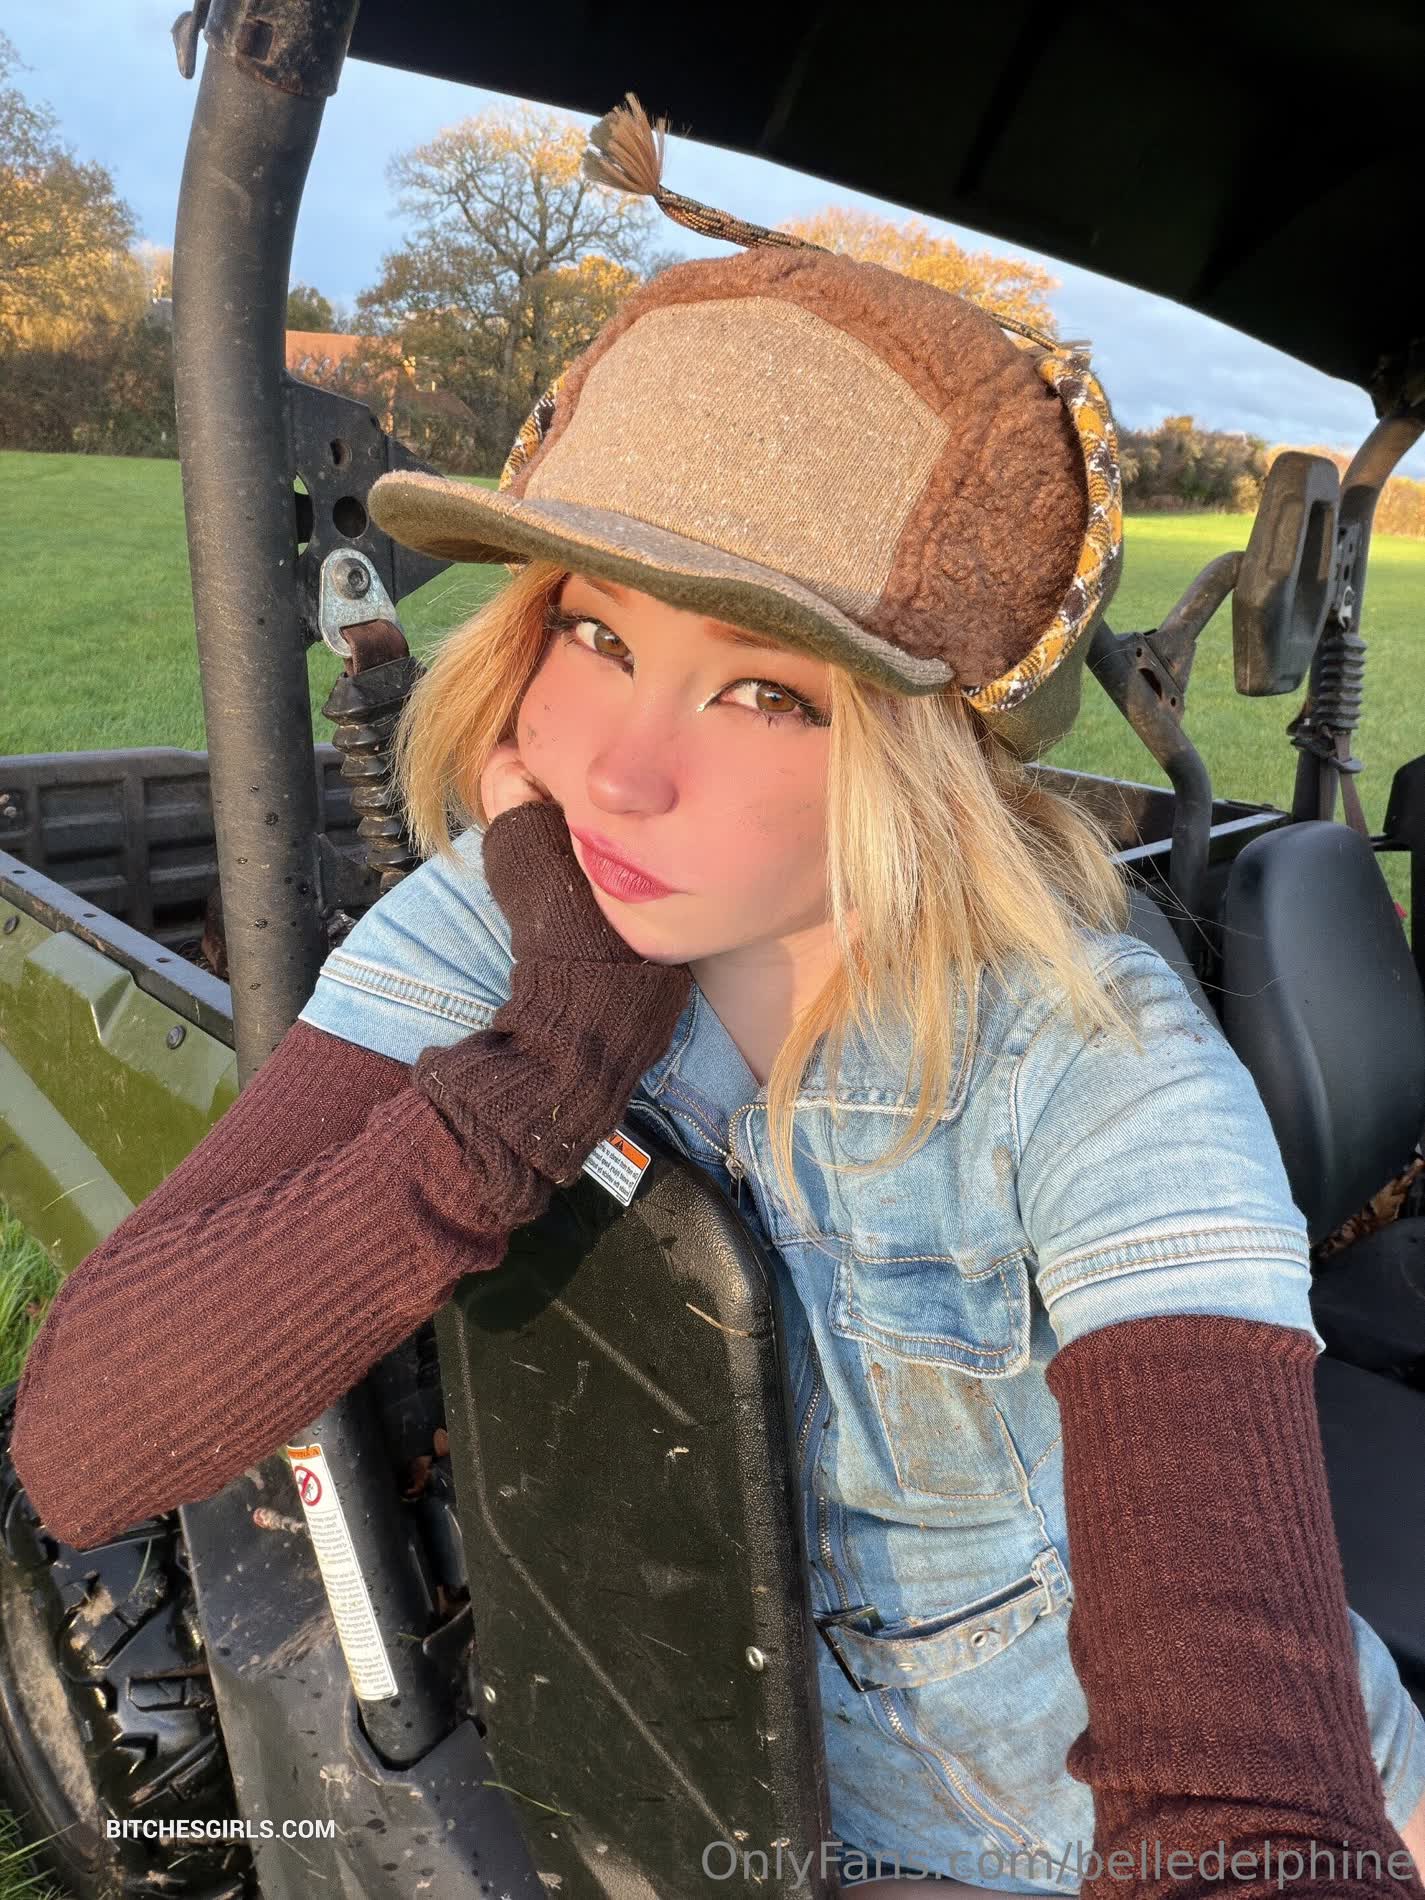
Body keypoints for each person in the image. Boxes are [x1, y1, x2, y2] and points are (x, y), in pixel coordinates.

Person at [11, 93, 1425, 1900]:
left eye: (768, 692)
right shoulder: (511, 920)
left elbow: (1244, 1798)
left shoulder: (1094, 1073)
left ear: (924, 756)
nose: (615, 772)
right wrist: (537, 1067)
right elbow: (88, 1445)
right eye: (595, 634)